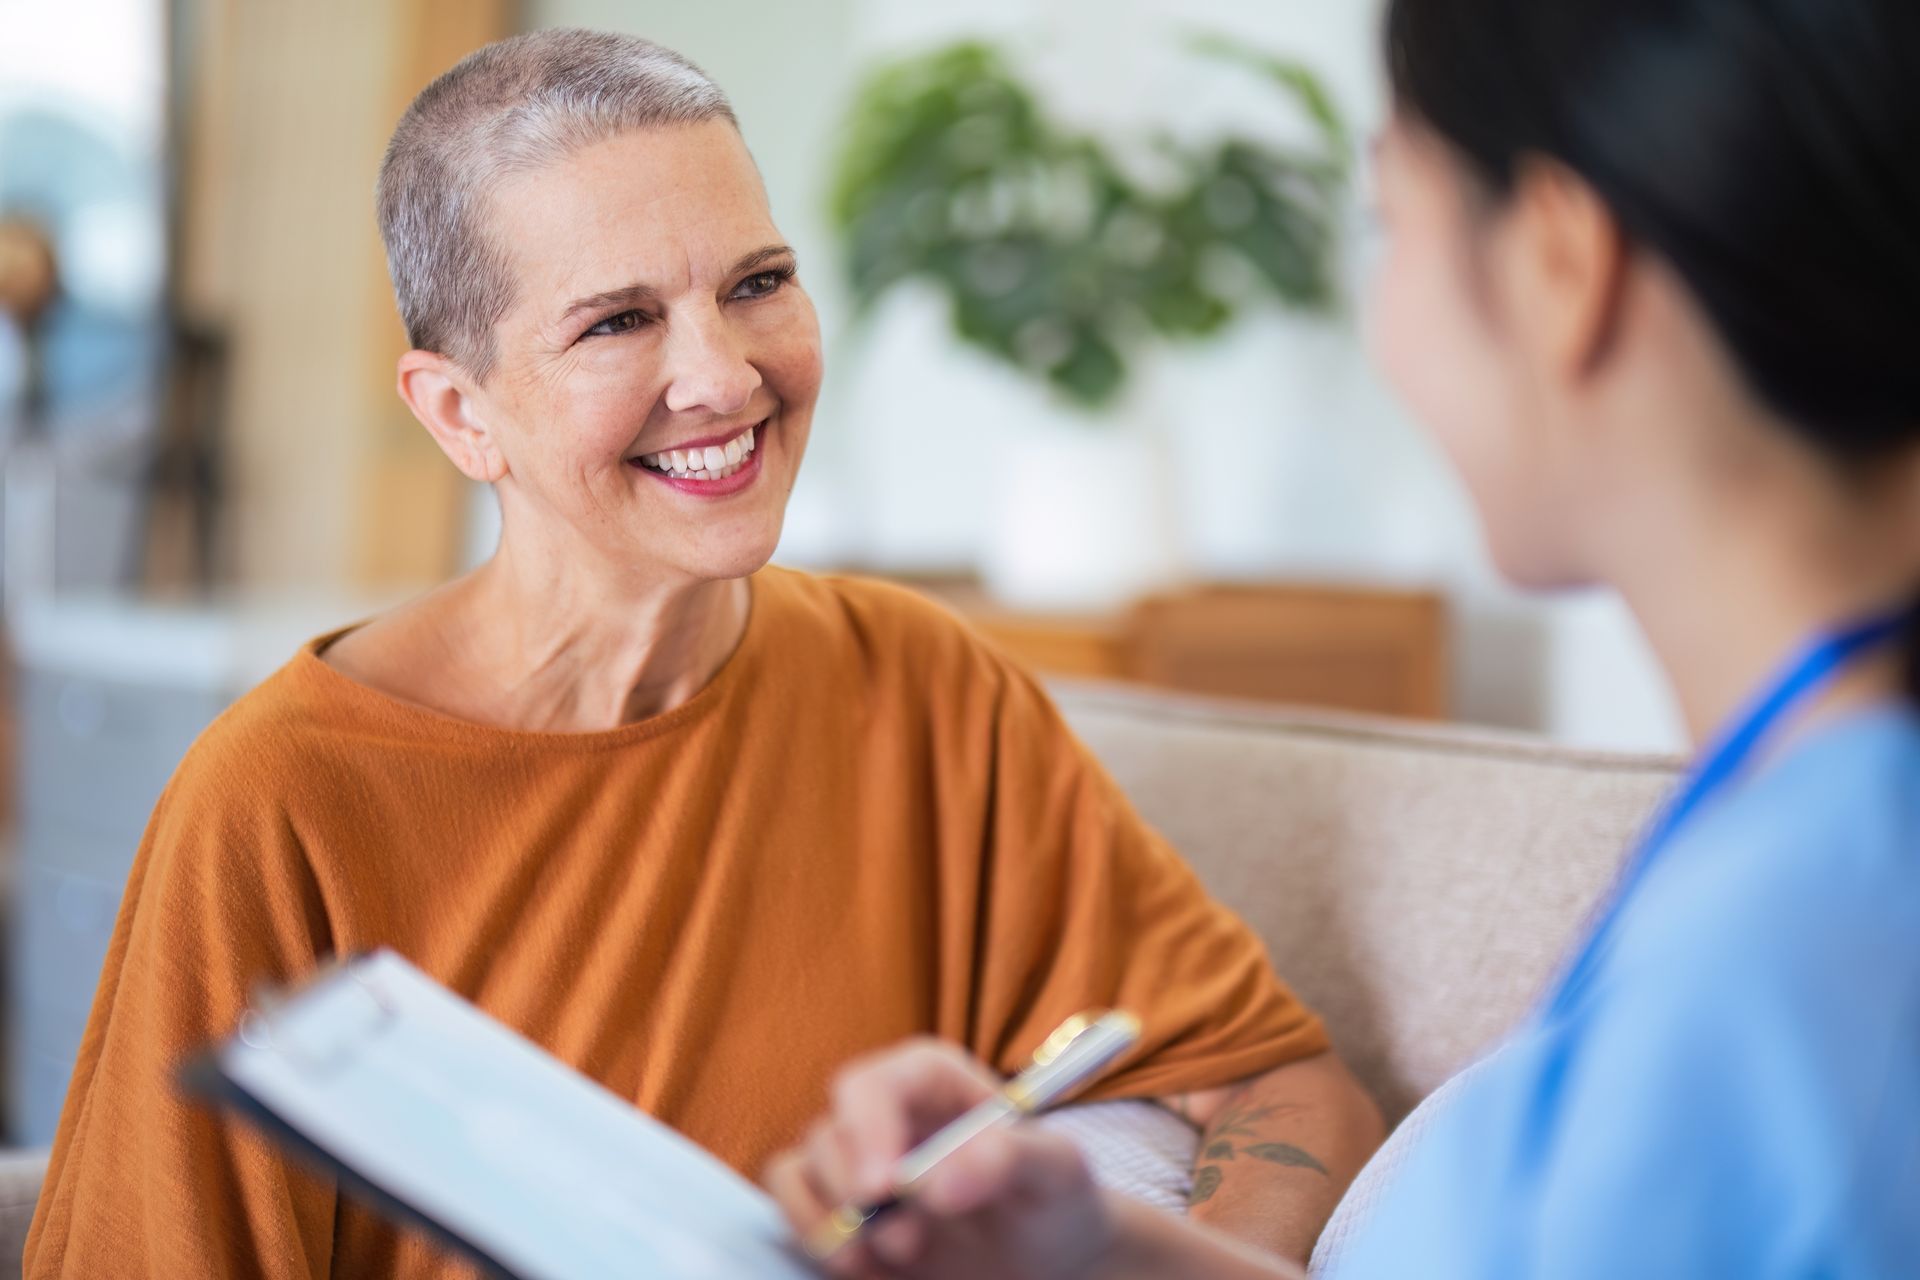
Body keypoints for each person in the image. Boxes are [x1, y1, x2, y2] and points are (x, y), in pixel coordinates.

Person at [22, 29, 1384, 1280]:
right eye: (618, 322)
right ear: (459, 415)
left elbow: (1280, 1087)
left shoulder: (920, 688)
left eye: (759, 284)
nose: (727, 376)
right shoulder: (277, 802)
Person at [766, 0, 1920, 1275]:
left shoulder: (1798, 946)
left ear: (1561, 266)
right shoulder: (1787, 830)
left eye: (1391, 224)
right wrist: (1090, 1247)